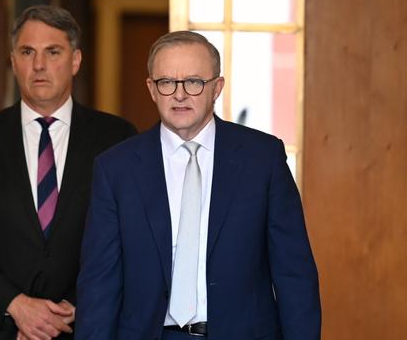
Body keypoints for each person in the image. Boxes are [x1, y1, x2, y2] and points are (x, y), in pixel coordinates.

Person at [75, 31, 321, 340]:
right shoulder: (116, 168)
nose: (180, 95)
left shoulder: (262, 159)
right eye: (166, 82)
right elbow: (99, 284)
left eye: (194, 82)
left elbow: (294, 275)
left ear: (217, 87)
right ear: (151, 89)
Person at [0, 5, 137, 340]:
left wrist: (78, 304)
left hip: (87, 327)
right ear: (13, 60)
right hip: (0, 329)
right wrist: (16, 305)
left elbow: (130, 237)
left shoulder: (117, 138)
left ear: (75, 61)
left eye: (53, 51)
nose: (39, 65)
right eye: (27, 51)